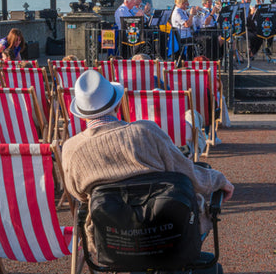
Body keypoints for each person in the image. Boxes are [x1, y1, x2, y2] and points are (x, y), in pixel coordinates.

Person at [62, 70, 234, 255]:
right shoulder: (145, 132)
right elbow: (188, 173)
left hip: (111, 238)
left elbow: (79, 194)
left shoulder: (72, 149)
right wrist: (219, 181)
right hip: (169, 228)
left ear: (80, 113)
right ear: (118, 104)